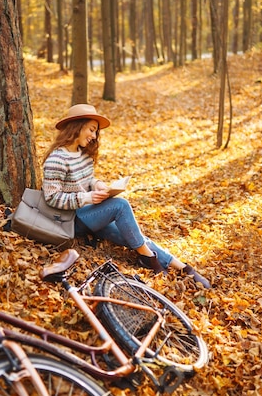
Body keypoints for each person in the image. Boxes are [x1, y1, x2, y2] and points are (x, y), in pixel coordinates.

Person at [42, 104, 211, 289]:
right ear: (77, 125)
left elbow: (88, 178)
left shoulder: (82, 153)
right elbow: (52, 197)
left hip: (90, 214)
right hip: (72, 219)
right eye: (91, 129)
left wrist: (98, 185)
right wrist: (88, 197)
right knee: (120, 205)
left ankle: (183, 268)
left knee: (134, 236)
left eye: (95, 132)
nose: (93, 136)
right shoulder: (57, 159)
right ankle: (148, 258)